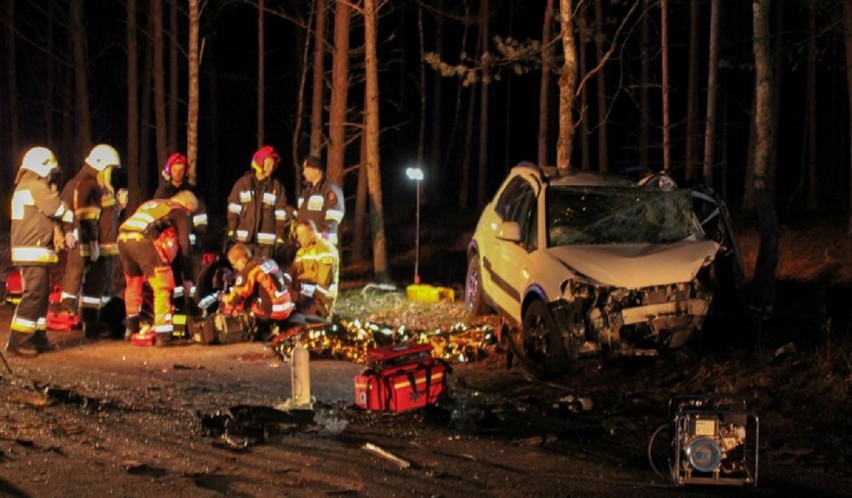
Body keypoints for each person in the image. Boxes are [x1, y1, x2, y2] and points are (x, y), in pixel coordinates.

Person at [7, 147, 76, 357]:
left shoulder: (26, 186)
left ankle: (37, 335)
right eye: (50, 171)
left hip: (33, 249)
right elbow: (58, 209)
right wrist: (68, 220)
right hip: (32, 249)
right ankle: (18, 340)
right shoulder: (34, 186)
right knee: (34, 294)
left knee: (41, 295)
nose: (51, 177)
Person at [55, 144, 125, 338]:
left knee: (99, 281)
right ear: (101, 165)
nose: (112, 173)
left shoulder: (101, 184)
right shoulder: (87, 183)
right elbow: (85, 215)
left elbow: (105, 216)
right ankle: (74, 311)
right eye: (111, 169)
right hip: (87, 240)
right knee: (79, 273)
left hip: (101, 243)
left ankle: (95, 317)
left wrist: (118, 207)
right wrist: (69, 232)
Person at [117, 191, 198, 346]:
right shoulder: (178, 211)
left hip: (123, 238)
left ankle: (131, 329)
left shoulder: (154, 204)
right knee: (163, 284)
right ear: (187, 206)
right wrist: (187, 277)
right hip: (143, 241)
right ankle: (163, 334)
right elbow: (185, 246)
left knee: (133, 284)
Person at [153, 152, 208, 304]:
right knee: (173, 278)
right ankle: (176, 305)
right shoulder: (162, 193)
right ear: (169, 170)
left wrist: (199, 234)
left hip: (191, 243)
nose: (179, 172)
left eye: (182, 169)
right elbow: (156, 217)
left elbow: (201, 216)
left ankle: (193, 305)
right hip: (170, 246)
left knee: (192, 276)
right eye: (176, 169)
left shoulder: (193, 192)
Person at [226, 145, 290, 259]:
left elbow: (281, 215)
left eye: (273, 165)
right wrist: (232, 230)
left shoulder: (277, 187)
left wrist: (280, 237)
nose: (272, 168)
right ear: (259, 163)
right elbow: (233, 209)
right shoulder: (242, 184)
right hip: (243, 242)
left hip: (266, 246)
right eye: (269, 164)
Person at [221, 243, 294, 339]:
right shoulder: (268, 261)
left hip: (273, 311)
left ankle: (265, 331)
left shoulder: (248, 270)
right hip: (287, 306)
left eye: (234, 264)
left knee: (241, 308)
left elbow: (237, 298)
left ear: (242, 260)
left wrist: (223, 298)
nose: (234, 268)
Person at [290, 219, 339, 319]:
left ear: (312, 233)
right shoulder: (301, 252)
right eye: (297, 235)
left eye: (301, 235)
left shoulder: (326, 250)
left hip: (321, 303)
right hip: (304, 299)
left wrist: (301, 286)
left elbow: (322, 285)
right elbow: (293, 275)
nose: (298, 239)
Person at [296, 156, 345, 246]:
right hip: (308, 243)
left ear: (316, 171)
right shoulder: (306, 192)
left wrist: (323, 239)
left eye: (307, 169)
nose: (304, 173)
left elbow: (333, 219)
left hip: (323, 244)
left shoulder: (330, 190)